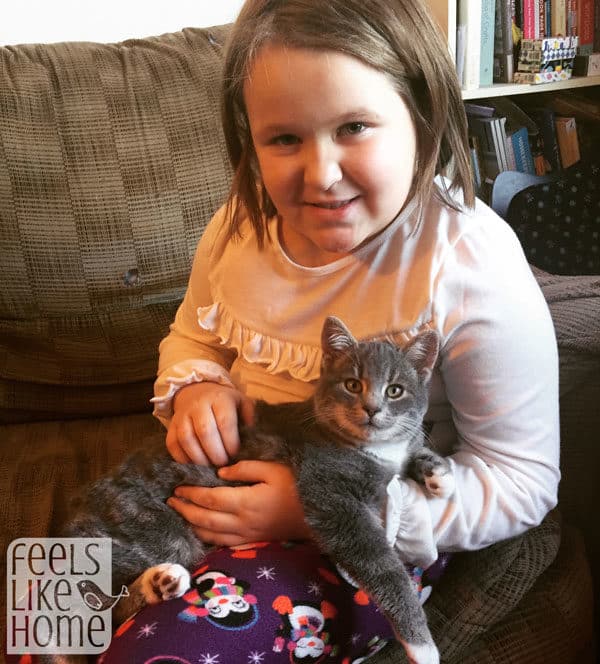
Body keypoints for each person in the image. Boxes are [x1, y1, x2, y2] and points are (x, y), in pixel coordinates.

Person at [101, 0, 560, 662]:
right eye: (283, 139)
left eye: (354, 127)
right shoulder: (239, 225)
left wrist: (321, 512)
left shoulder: (468, 263)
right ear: (249, 137)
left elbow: (522, 480)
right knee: (47, 598)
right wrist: (196, 387)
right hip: (213, 488)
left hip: (361, 533)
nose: (320, 174)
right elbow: (194, 336)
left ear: (422, 116)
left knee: (159, 652)